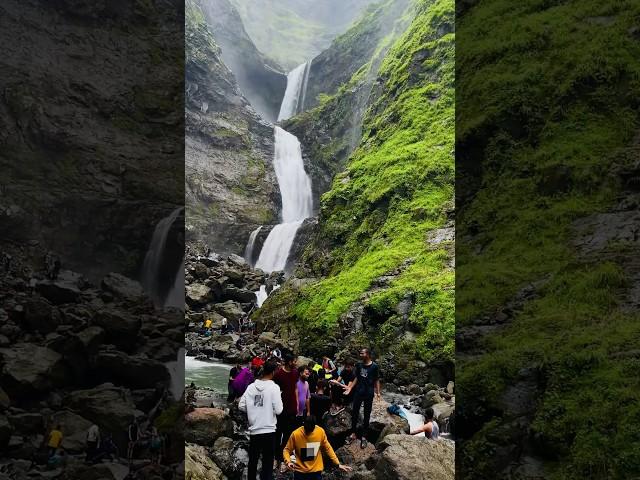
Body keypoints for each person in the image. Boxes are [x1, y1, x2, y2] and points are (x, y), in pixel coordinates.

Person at [239, 359, 283, 480]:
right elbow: (279, 410)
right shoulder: (274, 388)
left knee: (252, 461)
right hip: (269, 430)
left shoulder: (251, 387)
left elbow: (241, 406)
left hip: (254, 430)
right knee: (267, 463)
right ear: (273, 372)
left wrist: (254, 410)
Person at [284, 415, 352, 479]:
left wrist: (337, 464)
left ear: (314, 426)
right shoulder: (296, 434)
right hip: (300, 472)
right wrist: (288, 462)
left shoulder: (320, 432)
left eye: (310, 431)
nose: (308, 433)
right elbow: (286, 450)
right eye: (306, 430)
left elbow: (328, 448)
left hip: (315, 472)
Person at [343, 348, 381, 449]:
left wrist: (378, 392)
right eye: (360, 353)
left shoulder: (374, 366)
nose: (360, 354)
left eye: (362, 353)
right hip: (359, 392)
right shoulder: (359, 365)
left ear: (368, 354)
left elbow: (376, 379)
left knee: (366, 414)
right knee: (354, 413)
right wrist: (350, 388)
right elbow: (356, 378)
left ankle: (364, 437)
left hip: (368, 393)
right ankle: (353, 433)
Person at [273, 352, 299, 473]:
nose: (296, 363)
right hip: (280, 408)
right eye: (294, 361)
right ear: (289, 362)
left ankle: (284, 459)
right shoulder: (278, 374)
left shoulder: (295, 373)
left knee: (288, 435)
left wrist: (297, 404)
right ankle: (276, 457)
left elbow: (295, 388)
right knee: (278, 434)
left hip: (292, 408)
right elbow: (274, 391)